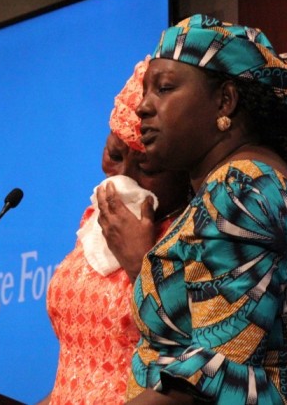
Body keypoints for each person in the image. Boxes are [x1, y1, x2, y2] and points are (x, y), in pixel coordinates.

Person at [96, 15, 287, 404]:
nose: (144, 107)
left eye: (164, 88)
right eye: (146, 91)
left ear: (225, 100)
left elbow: (209, 380)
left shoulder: (240, 189)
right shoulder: (243, 182)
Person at [39, 57, 191, 405]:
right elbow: (78, 367)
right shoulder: (95, 220)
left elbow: (196, 362)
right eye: (113, 154)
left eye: (147, 167)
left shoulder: (193, 236)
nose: (122, 177)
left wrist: (139, 261)